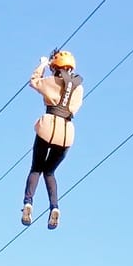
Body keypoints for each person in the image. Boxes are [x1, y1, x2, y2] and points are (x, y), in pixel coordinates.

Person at [22, 49, 83, 230]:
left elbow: (34, 82)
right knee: (49, 172)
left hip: (48, 127)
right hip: (66, 133)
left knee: (36, 168)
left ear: (55, 67)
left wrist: (42, 64)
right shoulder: (79, 87)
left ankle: (28, 203)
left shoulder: (52, 81)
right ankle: (54, 207)